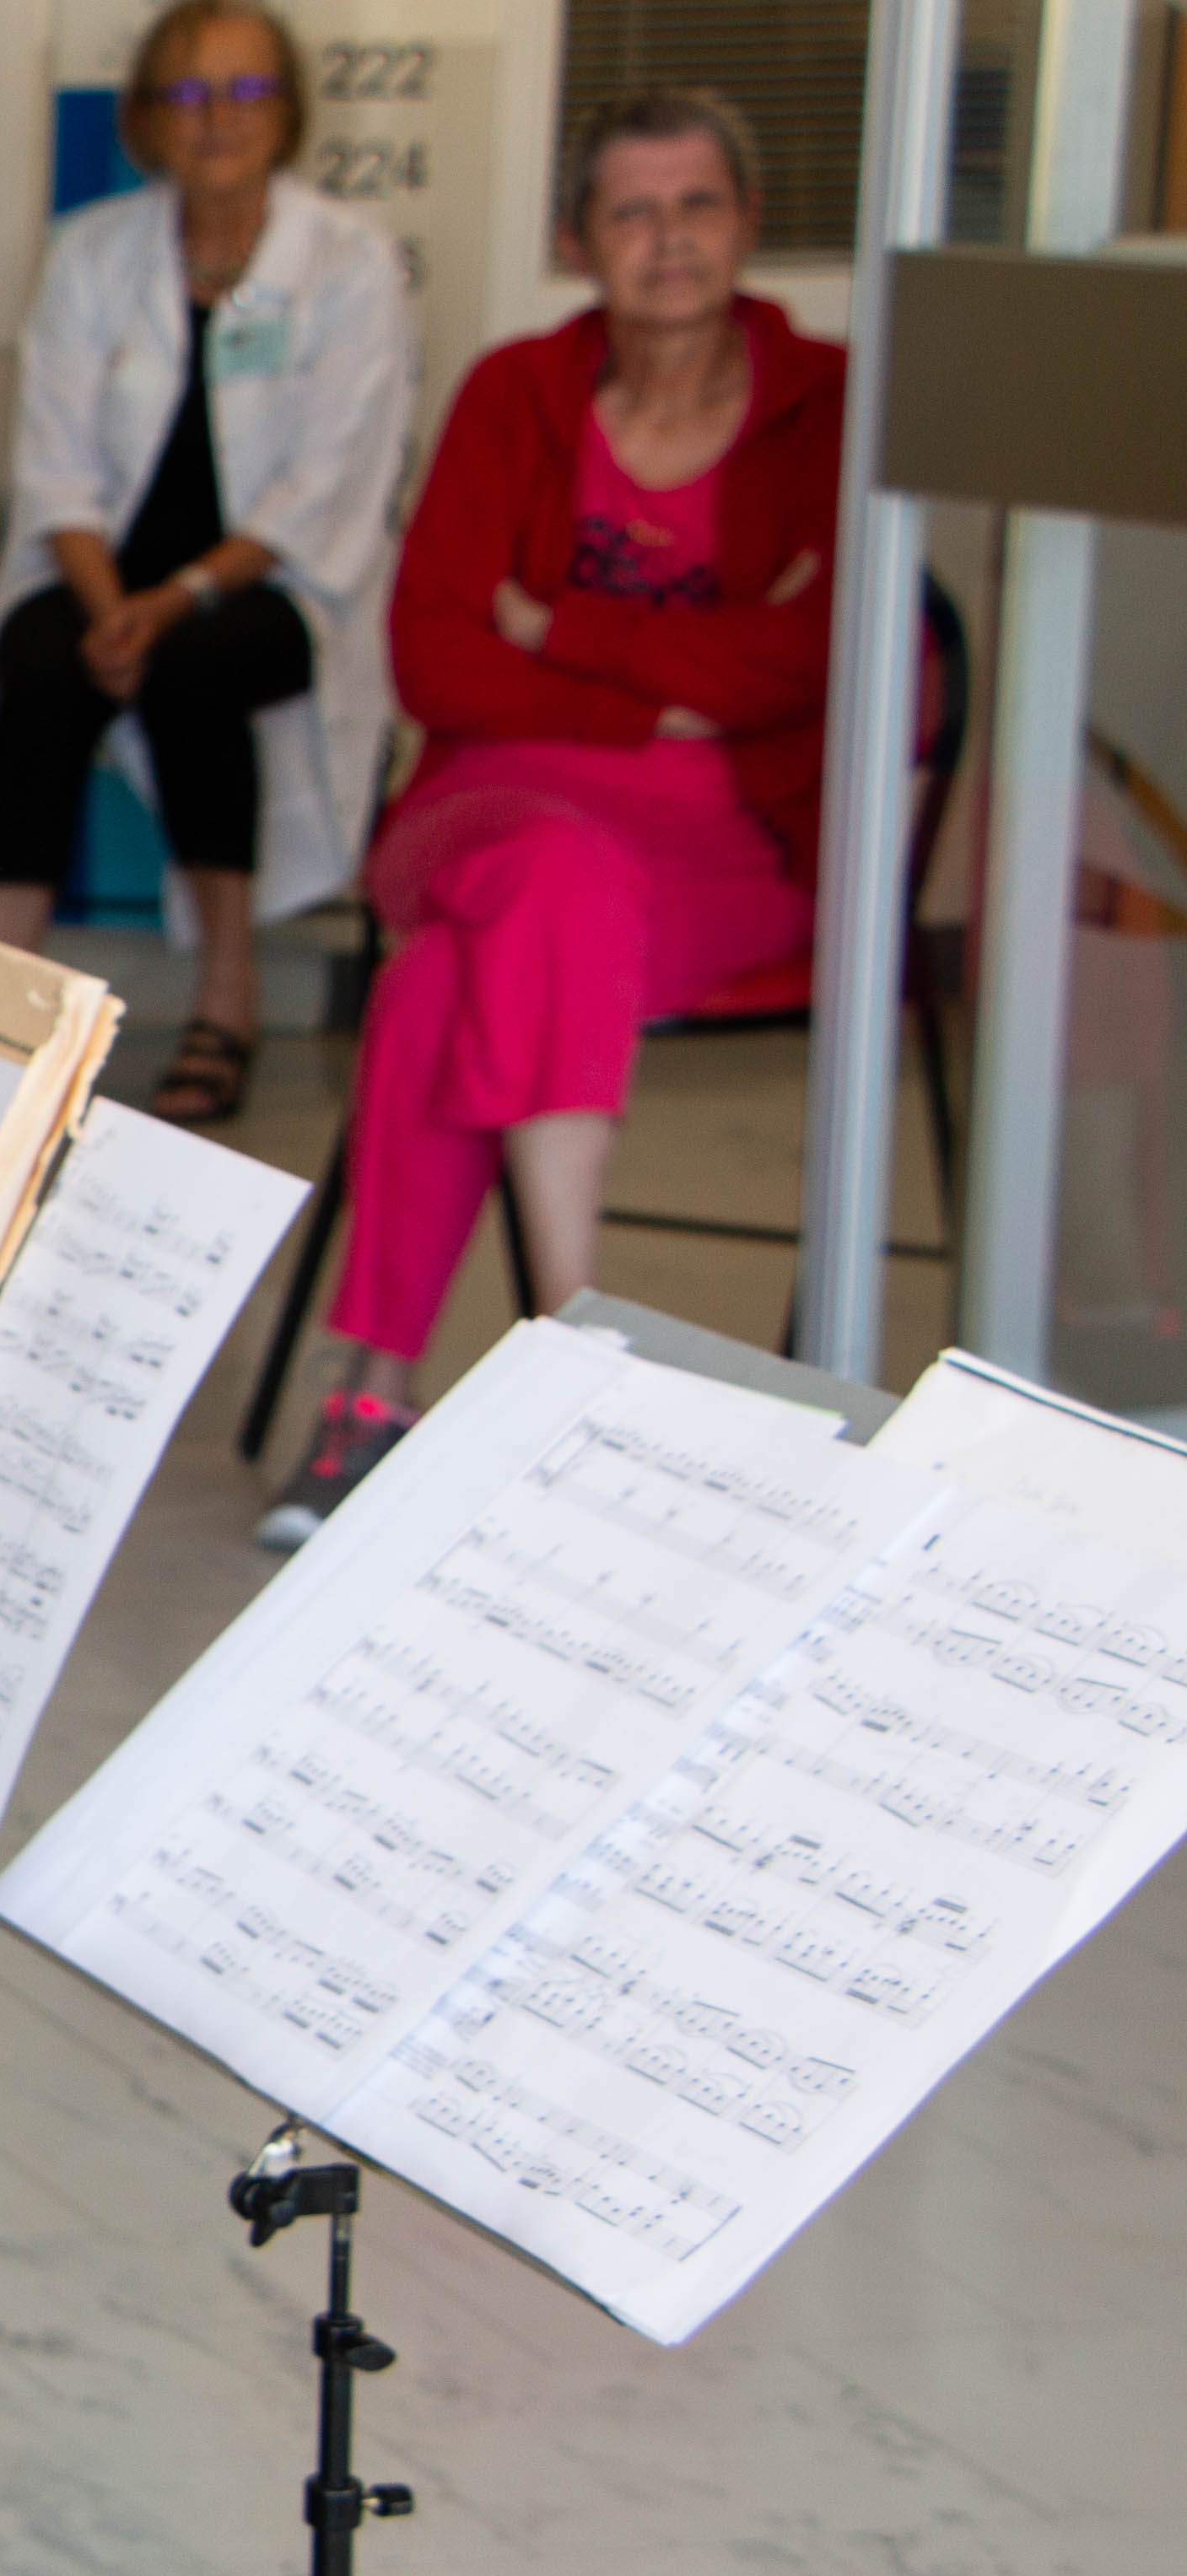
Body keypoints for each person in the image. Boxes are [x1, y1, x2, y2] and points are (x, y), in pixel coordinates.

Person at [262, 89, 844, 1542]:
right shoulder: (517, 392)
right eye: (632, 211)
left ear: (749, 226)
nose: (669, 241)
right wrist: (672, 687)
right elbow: (437, 653)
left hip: (733, 837)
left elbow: (828, 658)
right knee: (550, 879)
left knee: (457, 979)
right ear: (579, 239)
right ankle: (576, 1339)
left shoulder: (829, 399)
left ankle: (371, 1391)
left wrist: (559, 628)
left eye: (697, 205)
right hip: (489, 800)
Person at [0, 0, 415, 1126]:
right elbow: (53, 466)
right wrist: (110, 606)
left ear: (287, 112)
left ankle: (226, 1001)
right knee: (36, 664)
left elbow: (327, 485)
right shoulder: (93, 257)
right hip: (102, 574)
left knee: (199, 664)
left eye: (247, 89)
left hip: (272, 584)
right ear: (148, 116)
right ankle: (7, 1009)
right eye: (189, 92)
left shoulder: (350, 264)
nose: (219, 118)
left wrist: (173, 601)